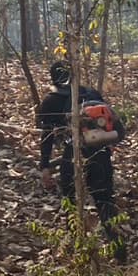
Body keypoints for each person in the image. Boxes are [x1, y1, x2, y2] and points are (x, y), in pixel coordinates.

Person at [37, 60, 126, 262]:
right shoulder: (92, 94)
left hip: (72, 157)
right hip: (101, 155)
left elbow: (47, 135)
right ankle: (120, 255)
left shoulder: (51, 100)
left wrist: (44, 166)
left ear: (53, 78)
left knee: (70, 203)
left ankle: (79, 256)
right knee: (106, 203)